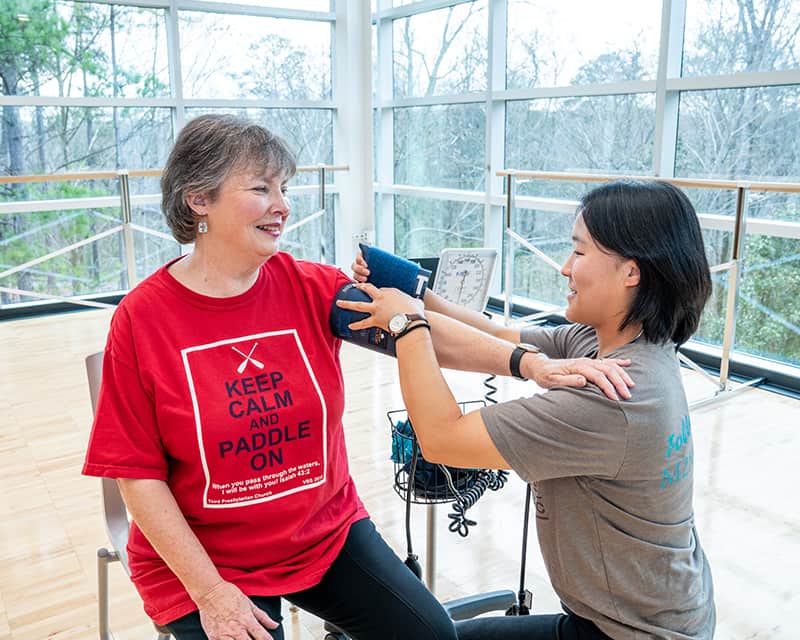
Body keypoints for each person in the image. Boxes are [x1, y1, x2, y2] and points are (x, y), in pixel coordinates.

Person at [81, 114, 629, 640]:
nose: (283, 206)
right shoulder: (143, 318)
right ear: (198, 199)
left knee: (430, 635)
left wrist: (529, 363)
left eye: (284, 188)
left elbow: (416, 328)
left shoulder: (311, 287)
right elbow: (138, 476)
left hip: (321, 532)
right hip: (209, 559)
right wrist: (210, 592)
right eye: (262, 189)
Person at [341, 180, 716, 639]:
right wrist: (406, 289)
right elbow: (491, 339)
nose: (564, 268)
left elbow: (442, 438)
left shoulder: (615, 396)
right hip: (645, 615)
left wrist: (408, 323)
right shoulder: (613, 345)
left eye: (579, 253)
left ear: (631, 272)